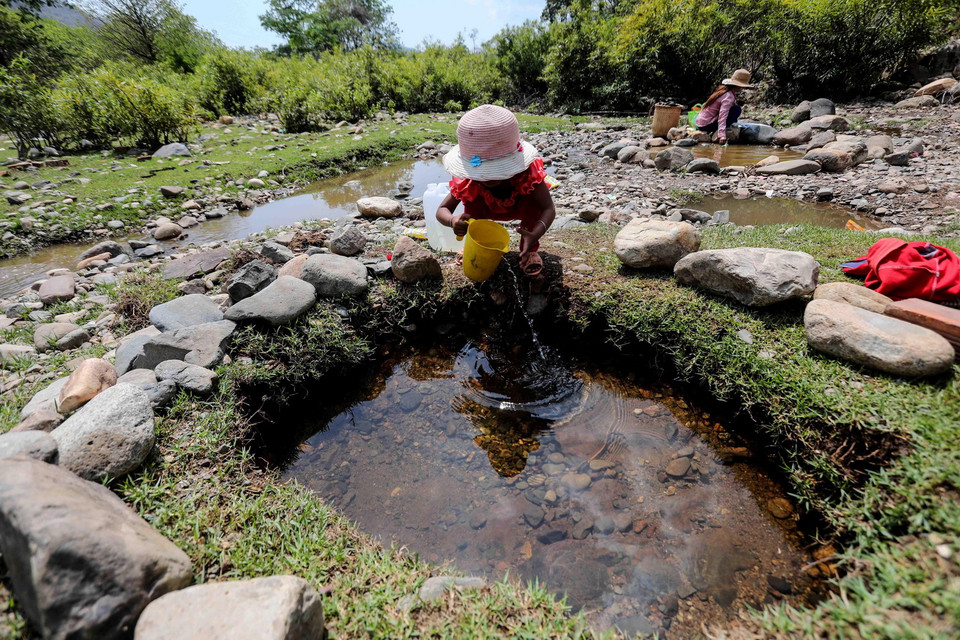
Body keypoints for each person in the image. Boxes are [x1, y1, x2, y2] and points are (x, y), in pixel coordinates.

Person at [437, 104, 556, 276]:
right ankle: (475, 245)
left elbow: (548, 208)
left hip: (522, 208)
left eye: (495, 172)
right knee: (471, 201)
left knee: (534, 204)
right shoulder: (469, 181)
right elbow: (442, 210)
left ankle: (529, 251)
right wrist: (453, 221)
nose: (490, 179)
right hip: (483, 211)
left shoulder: (527, 176)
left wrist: (535, 234)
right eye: (484, 173)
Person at [695, 68, 755, 144]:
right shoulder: (729, 96)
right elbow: (723, 115)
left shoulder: (723, 90)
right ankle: (718, 130)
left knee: (734, 108)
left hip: (701, 123)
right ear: (740, 86)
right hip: (707, 125)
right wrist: (722, 135)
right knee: (736, 109)